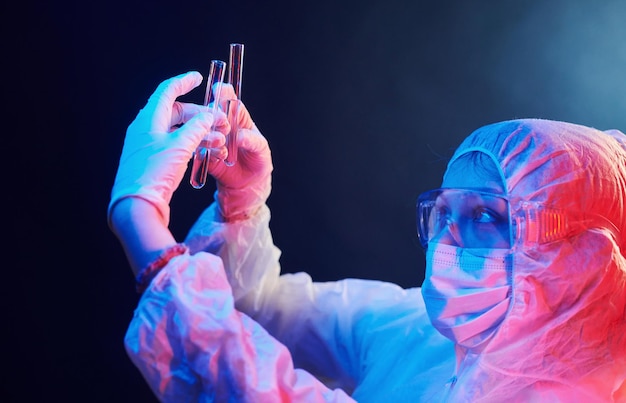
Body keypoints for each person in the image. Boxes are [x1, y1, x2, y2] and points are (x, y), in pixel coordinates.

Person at [108, 71, 626, 402]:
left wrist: (141, 219)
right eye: (442, 211)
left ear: (582, 258)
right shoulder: (424, 335)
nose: (447, 239)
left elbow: (259, 390)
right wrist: (240, 205)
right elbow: (262, 314)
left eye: (487, 216)